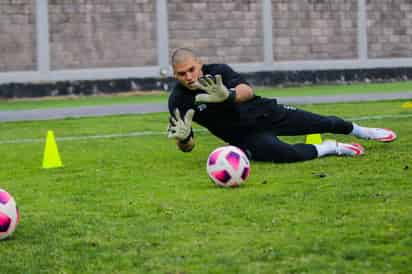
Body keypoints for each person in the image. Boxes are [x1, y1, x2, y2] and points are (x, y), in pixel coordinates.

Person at [167, 48, 397, 163]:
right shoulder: (178, 101)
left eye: (191, 69)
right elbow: (187, 147)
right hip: (245, 137)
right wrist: (185, 139)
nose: (188, 76)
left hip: (267, 113)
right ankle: (331, 147)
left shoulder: (219, 71)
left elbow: (248, 91)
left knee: (322, 122)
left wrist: (228, 95)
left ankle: (364, 131)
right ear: (174, 75)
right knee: (284, 154)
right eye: (181, 74)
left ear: (199, 63)